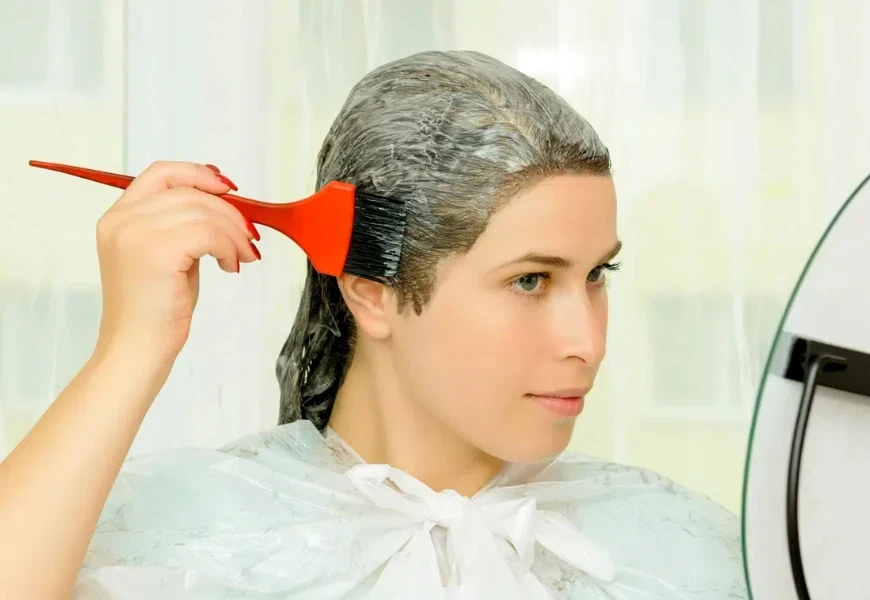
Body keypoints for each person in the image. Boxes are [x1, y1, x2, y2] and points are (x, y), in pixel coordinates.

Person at [0, 51, 747, 599]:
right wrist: (131, 347)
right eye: (530, 280)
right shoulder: (194, 539)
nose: (586, 340)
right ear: (371, 290)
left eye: (597, 276)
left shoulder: (672, 552)